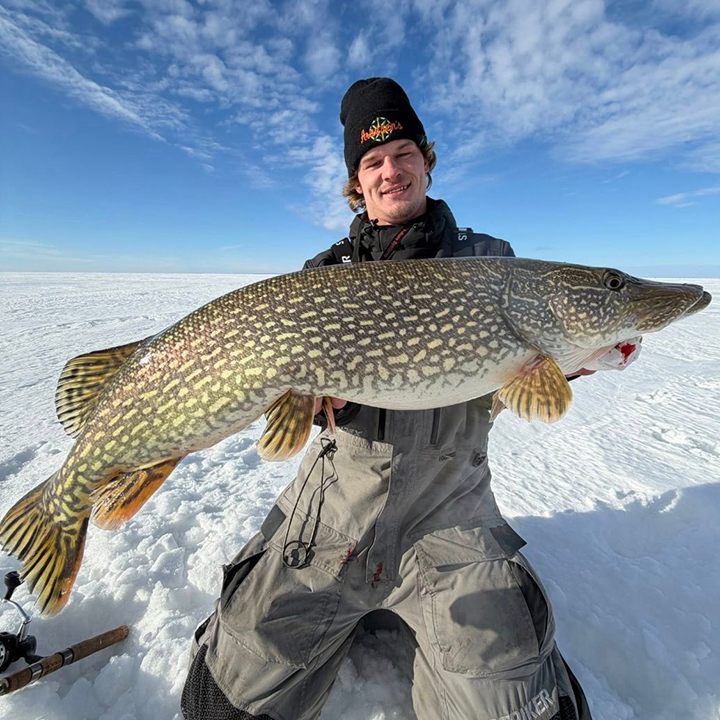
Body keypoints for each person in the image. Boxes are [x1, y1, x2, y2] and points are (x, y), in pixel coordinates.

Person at [181, 77, 593, 720]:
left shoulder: (493, 263)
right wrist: (302, 399)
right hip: (332, 515)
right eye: (372, 161)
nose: (391, 171)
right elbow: (286, 401)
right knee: (224, 706)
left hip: (452, 515)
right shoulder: (324, 277)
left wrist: (577, 358)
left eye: (403, 153)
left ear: (426, 162)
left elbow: (522, 374)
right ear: (357, 181)